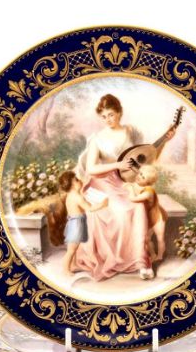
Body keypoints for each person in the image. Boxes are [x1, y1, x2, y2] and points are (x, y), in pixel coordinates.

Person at [72, 93, 173, 281]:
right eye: (103, 116)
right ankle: (119, 259)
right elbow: (92, 169)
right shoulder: (97, 139)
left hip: (126, 181)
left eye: (111, 114)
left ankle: (141, 261)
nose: (107, 119)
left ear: (119, 112)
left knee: (137, 206)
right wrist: (117, 165)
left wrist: (165, 141)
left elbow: (147, 157)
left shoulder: (131, 132)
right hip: (103, 182)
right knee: (122, 210)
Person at [58, 170, 108, 275]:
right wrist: (102, 204)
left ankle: (73, 265)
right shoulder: (77, 197)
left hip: (74, 222)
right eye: (76, 180)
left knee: (74, 247)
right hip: (77, 224)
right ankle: (65, 269)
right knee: (72, 249)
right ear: (72, 185)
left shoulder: (71, 195)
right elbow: (89, 208)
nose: (80, 180)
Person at [125, 165, 167, 263]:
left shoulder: (149, 192)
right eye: (140, 174)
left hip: (158, 216)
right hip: (149, 216)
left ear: (148, 182)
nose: (139, 177)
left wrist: (130, 189)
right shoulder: (139, 185)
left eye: (143, 177)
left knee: (160, 238)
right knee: (147, 239)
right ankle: (153, 255)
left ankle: (160, 256)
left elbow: (133, 199)